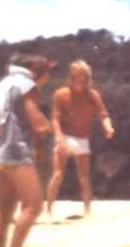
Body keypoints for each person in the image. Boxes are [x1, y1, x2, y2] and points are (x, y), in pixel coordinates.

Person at [0, 54, 55, 247]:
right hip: (17, 152)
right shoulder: (27, 85)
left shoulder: (3, 85)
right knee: (34, 206)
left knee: (5, 209)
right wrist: (47, 127)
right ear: (37, 73)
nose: (48, 77)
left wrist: (3, 134)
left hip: (2, 152)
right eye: (47, 72)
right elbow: (37, 121)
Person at [45, 61, 115, 218]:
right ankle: (48, 209)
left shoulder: (92, 95)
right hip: (65, 136)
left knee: (84, 177)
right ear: (71, 76)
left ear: (87, 78)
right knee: (57, 174)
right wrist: (59, 138)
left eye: (83, 76)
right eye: (77, 76)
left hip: (83, 138)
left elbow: (103, 115)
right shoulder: (61, 94)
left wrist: (108, 127)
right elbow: (55, 118)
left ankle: (87, 211)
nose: (80, 80)